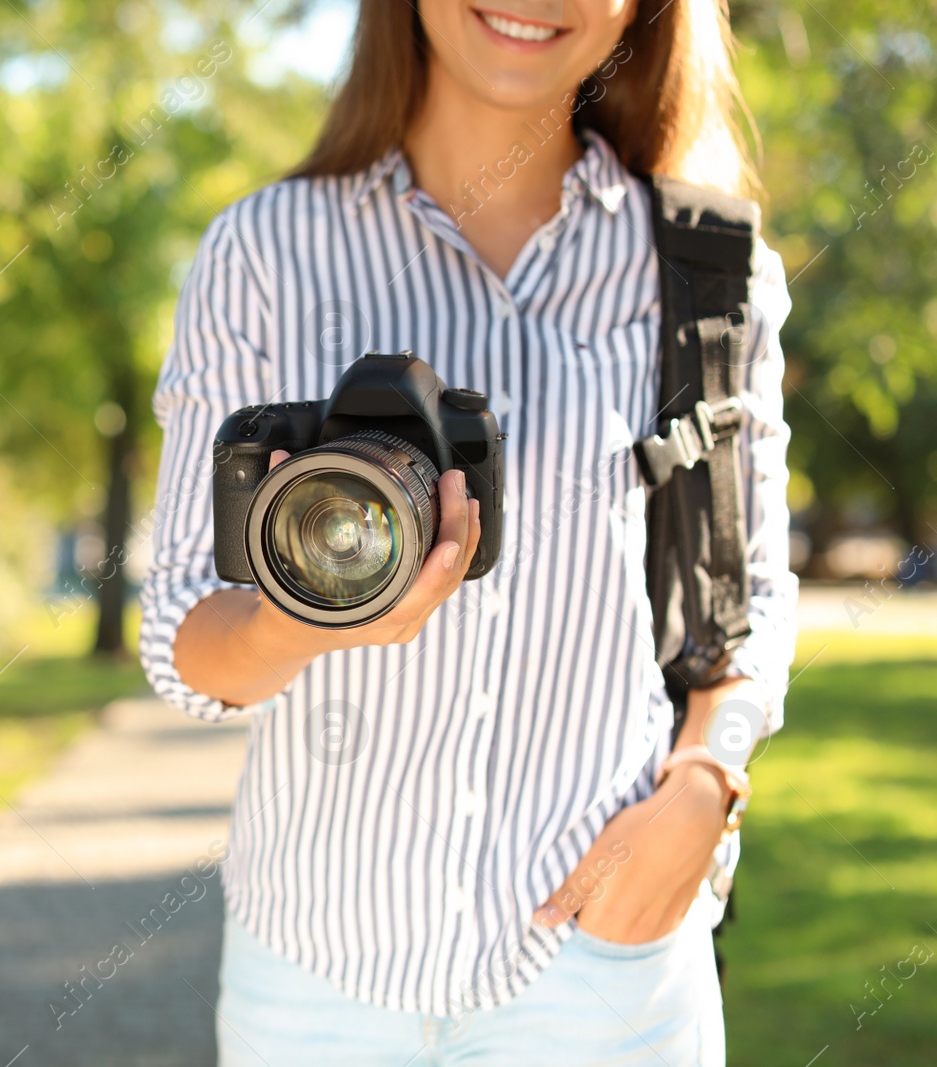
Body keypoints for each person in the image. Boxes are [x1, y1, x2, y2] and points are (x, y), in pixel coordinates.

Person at [137, 0, 797, 1063]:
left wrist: (702, 794)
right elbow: (180, 631)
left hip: (601, 966)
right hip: (314, 975)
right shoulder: (265, 251)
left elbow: (751, 600)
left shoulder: (711, 272)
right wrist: (316, 617)